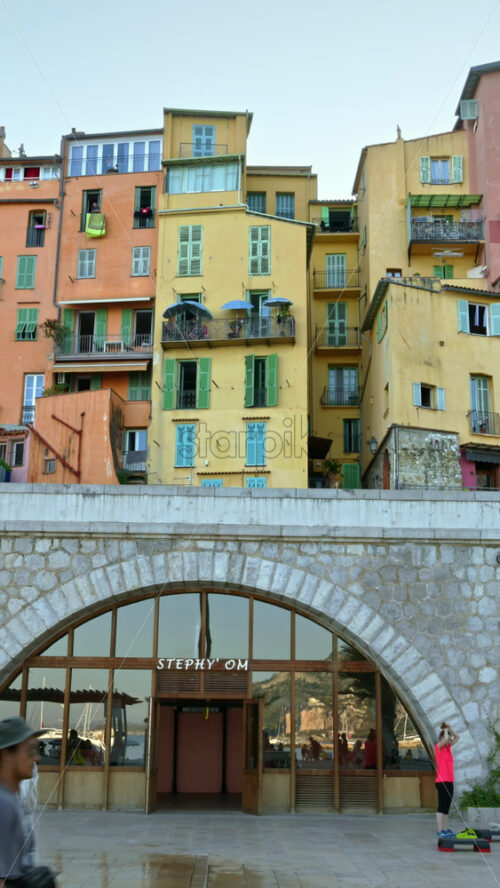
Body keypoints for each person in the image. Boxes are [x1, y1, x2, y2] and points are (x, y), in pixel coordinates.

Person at [0, 716, 55, 888]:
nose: (36, 758)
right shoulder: (3, 805)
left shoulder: (12, 799)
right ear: (6, 754)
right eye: (30, 751)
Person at [435, 721, 460, 840]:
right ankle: (440, 831)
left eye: (449, 738)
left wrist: (450, 729)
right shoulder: (438, 747)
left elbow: (458, 737)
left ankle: (446, 829)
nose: (449, 739)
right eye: (447, 737)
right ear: (441, 738)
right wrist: (445, 730)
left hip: (450, 780)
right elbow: (444, 740)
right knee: (441, 806)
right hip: (441, 781)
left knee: (447, 807)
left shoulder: (448, 748)